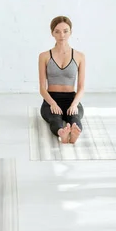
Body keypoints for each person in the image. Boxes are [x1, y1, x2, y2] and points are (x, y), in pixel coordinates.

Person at [38, 16, 86, 144]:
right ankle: (62, 134)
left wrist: (75, 104)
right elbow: (42, 88)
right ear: (52, 33)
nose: (62, 35)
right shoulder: (44, 56)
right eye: (57, 31)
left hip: (71, 98)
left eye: (65, 31)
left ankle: (75, 134)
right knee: (55, 119)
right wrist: (52, 103)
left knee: (75, 118)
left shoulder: (80, 56)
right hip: (51, 98)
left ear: (70, 32)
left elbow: (81, 87)